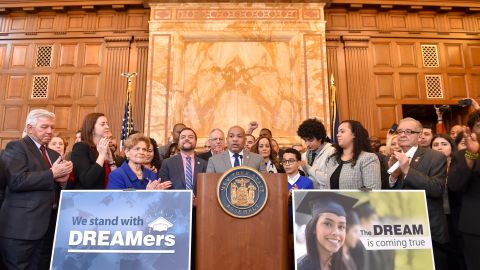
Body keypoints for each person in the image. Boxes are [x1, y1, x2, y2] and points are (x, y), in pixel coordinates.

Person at [0, 109, 72, 269]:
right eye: (44, 127)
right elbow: (16, 180)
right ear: (30, 128)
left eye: (52, 127)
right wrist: (52, 174)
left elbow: (53, 184)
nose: (49, 131)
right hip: (21, 228)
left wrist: (62, 181)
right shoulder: (16, 147)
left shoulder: (53, 154)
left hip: (47, 227)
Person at [388, 117, 448, 270]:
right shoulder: (392, 157)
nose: (402, 134)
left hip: (427, 230)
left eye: (408, 131)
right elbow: (387, 194)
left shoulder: (435, 157)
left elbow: (436, 189)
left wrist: (407, 170)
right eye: (400, 131)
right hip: (400, 231)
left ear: (419, 135)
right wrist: (393, 178)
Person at [448, 110, 480, 270]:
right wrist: (471, 155)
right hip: (475, 227)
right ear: (471, 130)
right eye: (479, 126)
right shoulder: (462, 155)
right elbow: (455, 185)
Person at [296, 192, 358, 270]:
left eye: (341, 227)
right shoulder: (301, 267)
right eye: (328, 224)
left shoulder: (344, 266)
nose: (336, 232)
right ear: (314, 228)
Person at [431, 134, 466, 270]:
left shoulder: (460, 164)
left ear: (452, 147)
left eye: (444, 144)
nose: (439, 147)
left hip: (457, 214)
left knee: (458, 251)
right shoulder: (428, 166)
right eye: (435, 144)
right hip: (437, 216)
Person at [323, 120, 381, 189]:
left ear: (354, 134)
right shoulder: (333, 159)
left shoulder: (368, 158)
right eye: (338, 132)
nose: (338, 135)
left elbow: (372, 191)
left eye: (342, 131)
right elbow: (327, 187)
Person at [107, 133, 171, 190]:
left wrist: (159, 194)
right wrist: (147, 194)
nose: (141, 152)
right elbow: (116, 202)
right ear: (127, 152)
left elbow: (156, 202)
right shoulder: (117, 175)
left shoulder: (152, 175)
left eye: (144, 149)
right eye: (137, 149)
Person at [70, 113, 116, 189]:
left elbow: (115, 178)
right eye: (102, 124)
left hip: (106, 196)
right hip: (86, 197)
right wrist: (101, 156)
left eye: (107, 124)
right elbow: (87, 181)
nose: (107, 127)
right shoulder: (80, 147)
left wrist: (111, 161)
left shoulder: (107, 148)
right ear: (91, 128)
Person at [159, 127, 207, 197]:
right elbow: (164, 188)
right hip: (175, 205)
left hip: (199, 206)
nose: (186, 139)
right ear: (178, 142)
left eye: (190, 137)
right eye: (183, 137)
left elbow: (207, 188)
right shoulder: (167, 163)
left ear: (196, 142)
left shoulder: (204, 164)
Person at [297, 118, 336, 189]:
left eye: (310, 140)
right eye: (305, 140)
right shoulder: (305, 155)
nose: (307, 144)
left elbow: (328, 180)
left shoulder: (332, 151)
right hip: (309, 195)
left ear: (320, 137)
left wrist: (308, 168)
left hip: (325, 196)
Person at [284, 148, 313, 231]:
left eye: (291, 161)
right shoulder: (278, 183)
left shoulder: (308, 182)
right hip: (282, 227)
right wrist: (287, 198)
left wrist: (299, 196)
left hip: (301, 227)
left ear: (299, 163)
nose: (287, 164)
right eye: (284, 161)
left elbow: (311, 208)